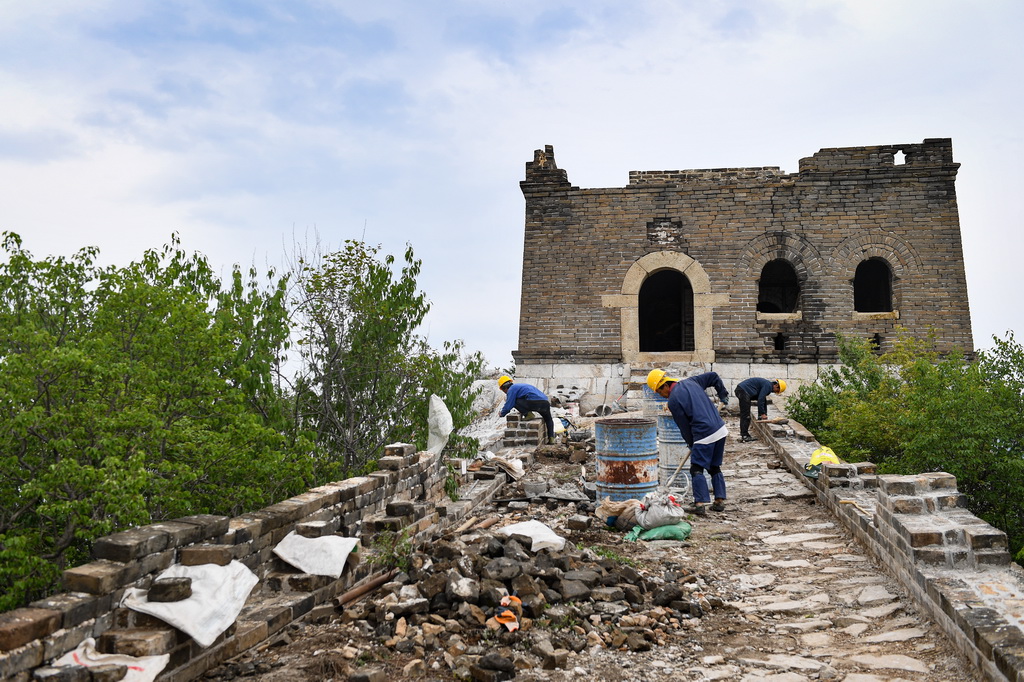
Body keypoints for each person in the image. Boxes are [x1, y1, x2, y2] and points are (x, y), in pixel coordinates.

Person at [647, 369, 729, 515]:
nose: (663, 396)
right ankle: (719, 501)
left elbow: (684, 427)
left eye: (660, 393)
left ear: (665, 386)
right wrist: (723, 394)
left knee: (696, 468)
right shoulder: (692, 381)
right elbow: (714, 376)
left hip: (704, 434)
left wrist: (692, 443)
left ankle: (699, 503)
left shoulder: (673, 401)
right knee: (714, 466)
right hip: (720, 429)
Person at [497, 375, 556, 445]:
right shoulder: (519, 386)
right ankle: (551, 439)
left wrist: (502, 413)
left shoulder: (512, 389)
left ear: (504, 388)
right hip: (545, 403)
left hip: (534, 402)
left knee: (514, 401)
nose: (504, 392)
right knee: (548, 419)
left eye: (503, 390)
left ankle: (528, 414)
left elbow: (509, 405)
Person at [734, 378, 787, 443]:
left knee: (763, 399)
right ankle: (745, 436)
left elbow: (762, 399)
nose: (775, 392)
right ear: (776, 385)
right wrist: (762, 413)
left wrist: (762, 415)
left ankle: (746, 433)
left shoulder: (767, 385)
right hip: (743, 391)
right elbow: (760, 400)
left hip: (742, 390)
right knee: (746, 415)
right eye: (777, 390)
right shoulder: (768, 386)